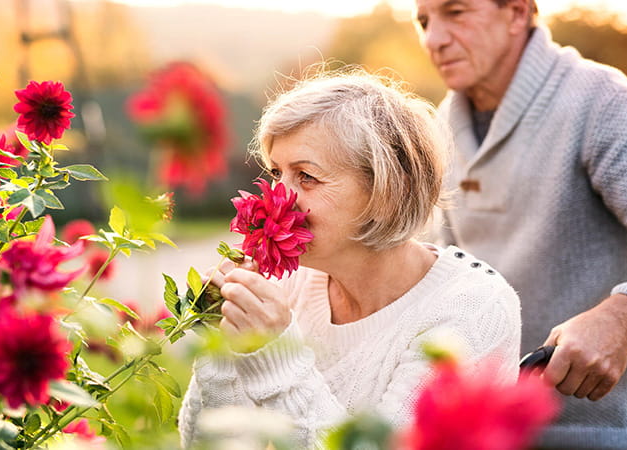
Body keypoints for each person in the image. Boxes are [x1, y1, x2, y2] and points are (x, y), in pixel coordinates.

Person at [177, 71, 522, 448]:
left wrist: (277, 357)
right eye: (276, 173)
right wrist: (221, 350)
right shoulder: (285, 284)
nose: (276, 199)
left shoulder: (472, 310)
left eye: (306, 177)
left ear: (385, 193)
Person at [413, 0, 627, 448]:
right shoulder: (439, 127)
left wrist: (623, 318)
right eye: (425, 21)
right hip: (482, 435)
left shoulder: (601, 102)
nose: (434, 38)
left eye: (456, 12)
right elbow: (442, 277)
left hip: (594, 434)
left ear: (516, 13)